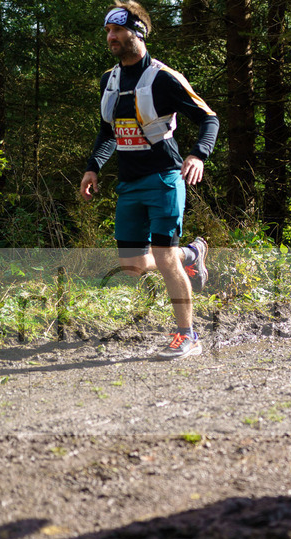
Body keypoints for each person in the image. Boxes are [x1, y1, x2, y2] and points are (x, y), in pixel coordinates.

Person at [80, 1, 219, 359]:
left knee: (165, 257)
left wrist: (197, 154)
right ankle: (193, 253)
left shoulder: (162, 78)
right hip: (128, 183)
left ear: (137, 33)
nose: (110, 37)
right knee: (133, 265)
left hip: (164, 179)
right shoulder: (108, 80)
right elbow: (107, 131)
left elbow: (209, 118)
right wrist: (93, 166)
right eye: (108, 31)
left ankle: (187, 335)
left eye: (117, 31)